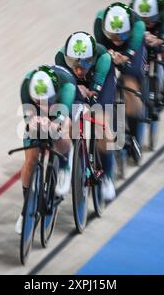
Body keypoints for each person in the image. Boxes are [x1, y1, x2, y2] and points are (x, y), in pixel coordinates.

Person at [55, 31, 116, 201]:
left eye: (83, 64)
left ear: (91, 59)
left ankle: (107, 177)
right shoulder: (60, 58)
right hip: (75, 84)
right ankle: (66, 164)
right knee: (66, 118)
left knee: (102, 123)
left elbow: (94, 94)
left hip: (100, 80)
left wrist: (92, 92)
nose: (78, 68)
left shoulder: (103, 59)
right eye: (73, 63)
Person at [16, 64, 76, 234]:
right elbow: (29, 118)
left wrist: (53, 123)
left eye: (47, 101)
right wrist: (33, 120)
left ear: (54, 95)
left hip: (61, 109)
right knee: (30, 160)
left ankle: (65, 164)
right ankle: (26, 208)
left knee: (63, 130)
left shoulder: (66, 88)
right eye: (38, 101)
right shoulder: (26, 87)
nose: (43, 105)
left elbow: (60, 119)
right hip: (38, 113)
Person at [93, 2, 148, 150]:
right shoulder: (99, 22)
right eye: (113, 35)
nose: (117, 39)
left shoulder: (138, 25)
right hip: (109, 51)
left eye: (121, 35)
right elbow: (100, 49)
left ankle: (135, 136)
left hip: (130, 50)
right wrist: (109, 54)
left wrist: (124, 57)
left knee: (130, 83)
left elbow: (130, 53)